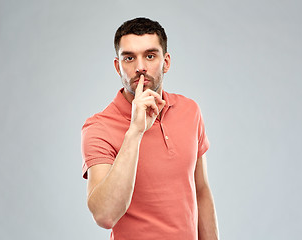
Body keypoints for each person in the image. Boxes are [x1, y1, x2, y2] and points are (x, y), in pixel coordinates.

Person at [81, 17, 219, 240]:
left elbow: (201, 190)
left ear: (166, 62)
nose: (140, 67)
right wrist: (135, 131)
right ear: (118, 66)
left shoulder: (190, 110)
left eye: (150, 55)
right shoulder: (98, 127)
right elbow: (105, 215)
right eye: (129, 58)